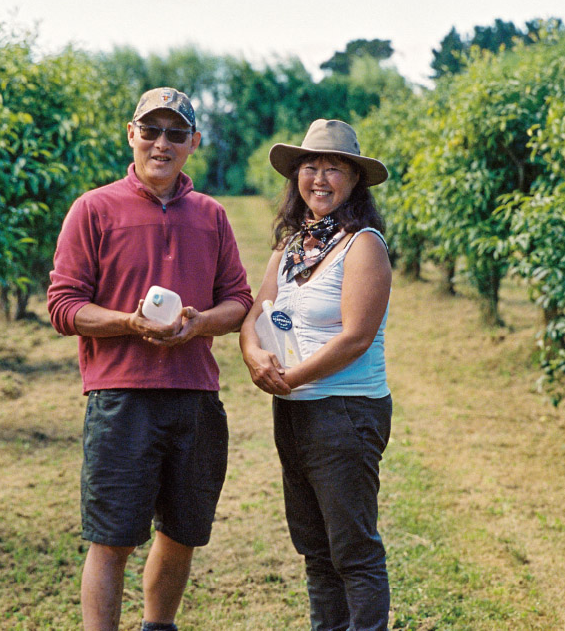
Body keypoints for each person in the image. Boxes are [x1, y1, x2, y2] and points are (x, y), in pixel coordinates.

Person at [47, 87, 252, 631]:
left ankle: (158, 626)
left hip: (194, 397)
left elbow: (238, 301)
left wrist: (199, 324)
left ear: (194, 143)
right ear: (132, 134)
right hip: (121, 399)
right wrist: (128, 324)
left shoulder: (210, 216)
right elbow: (64, 305)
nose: (163, 143)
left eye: (176, 133)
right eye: (152, 130)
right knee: (112, 537)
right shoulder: (93, 209)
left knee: (183, 531)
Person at [239, 119, 394, 631]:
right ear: (296, 177)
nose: (320, 178)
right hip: (296, 412)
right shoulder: (292, 248)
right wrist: (253, 354)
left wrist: (292, 376)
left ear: (354, 181)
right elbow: (257, 314)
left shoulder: (362, 245)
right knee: (316, 550)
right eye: (311, 166)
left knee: (353, 551)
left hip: (345, 412)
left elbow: (355, 337)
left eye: (334, 168)